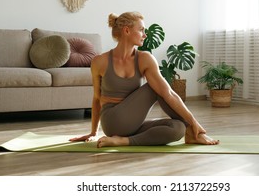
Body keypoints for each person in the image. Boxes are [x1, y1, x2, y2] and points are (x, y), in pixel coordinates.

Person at [70, 12, 218, 147]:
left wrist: (190, 123)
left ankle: (124, 141)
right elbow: (97, 99)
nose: (145, 35)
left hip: (133, 123)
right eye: (141, 30)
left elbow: (169, 94)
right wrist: (94, 132)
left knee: (177, 128)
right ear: (127, 30)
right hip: (113, 121)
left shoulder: (144, 58)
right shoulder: (100, 61)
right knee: (157, 88)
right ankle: (196, 133)